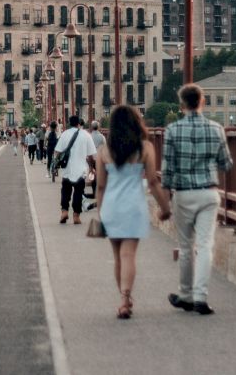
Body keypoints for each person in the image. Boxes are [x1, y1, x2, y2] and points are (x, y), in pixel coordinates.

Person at [162, 84, 234, 316]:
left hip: (183, 193)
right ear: (202, 102)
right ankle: (201, 297)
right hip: (208, 192)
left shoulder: (172, 130)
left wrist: (165, 200)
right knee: (205, 245)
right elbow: (226, 164)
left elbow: (168, 169)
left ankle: (186, 295)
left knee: (185, 247)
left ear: (182, 105)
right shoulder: (216, 129)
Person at [96, 105, 172, 319]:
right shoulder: (145, 148)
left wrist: (100, 213)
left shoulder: (104, 151)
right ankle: (125, 299)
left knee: (117, 256)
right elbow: (154, 181)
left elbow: (100, 186)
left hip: (111, 206)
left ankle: (123, 298)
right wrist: (165, 208)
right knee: (128, 254)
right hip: (133, 207)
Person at [53, 115, 96, 224]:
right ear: (79, 123)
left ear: (69, 123)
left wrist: (55, 164)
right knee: (78, 192)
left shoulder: (64, 134)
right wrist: (91, 167)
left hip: (67, 169)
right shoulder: (86, 135)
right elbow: (91, 155)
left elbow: (57, 151)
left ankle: (64, 212)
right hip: (81, 171)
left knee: (65, 192)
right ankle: (76, 216)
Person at [85, 120, 106, 206]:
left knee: (92, 174)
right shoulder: (102, 137)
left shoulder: (89, 136)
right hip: (99, 158)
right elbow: (105, 146)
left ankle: (94, 191)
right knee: (99, 174)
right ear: (98, 127)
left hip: (91, 158)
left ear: (91, 127)